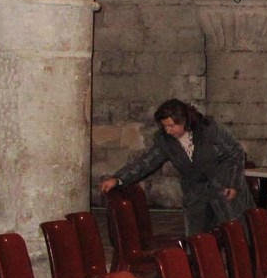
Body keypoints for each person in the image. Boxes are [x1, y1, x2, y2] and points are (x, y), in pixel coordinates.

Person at [100, 99, 254, 234]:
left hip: (224, 188)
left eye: (172, 125)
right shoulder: (165, 140)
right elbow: (145, 162)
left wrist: (232, 183)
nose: (168, 130)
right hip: (196, 195)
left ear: (184, 121)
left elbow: (235, 152)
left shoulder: (209, 128)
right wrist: (118, 179)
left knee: (237, 235)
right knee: (197, 242)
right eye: (164, 126)